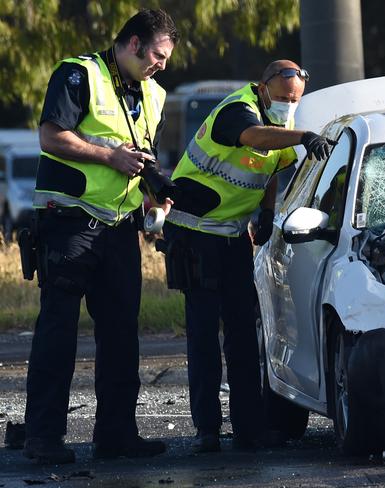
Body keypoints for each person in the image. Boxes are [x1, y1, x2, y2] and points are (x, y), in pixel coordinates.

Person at [23, 9, 177, 464]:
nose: (161, 64)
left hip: (119, 230)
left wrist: (155, 199)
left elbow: (140, 156)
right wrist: (107, 156)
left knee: (121, 335)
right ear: (131, 43)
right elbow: (51, 137)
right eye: (156, 54)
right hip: (69, 224)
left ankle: (116, 436)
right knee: (58, 333)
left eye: (166, 58)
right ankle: (43, 439)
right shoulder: (79, 74)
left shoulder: (155, 94)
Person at [162, 59, 335, 452]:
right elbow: (255, 139)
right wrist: (303, 135)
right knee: (204, 335)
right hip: (195, 234)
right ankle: (207, 430)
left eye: (294, 100)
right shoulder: (235, 110)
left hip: (234, 236)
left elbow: (270, 167)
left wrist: (268, 213)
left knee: (242, 336)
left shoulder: (278, 126)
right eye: (282, 97)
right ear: (262, 87)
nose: (288, 105)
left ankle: (248, 429)